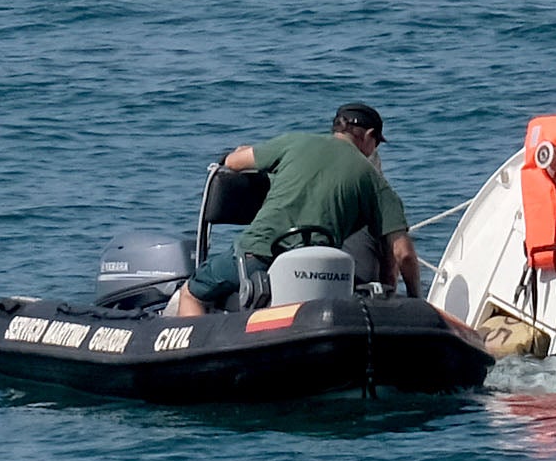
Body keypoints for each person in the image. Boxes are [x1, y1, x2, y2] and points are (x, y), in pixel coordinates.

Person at [174, 102, 420, 316]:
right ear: (369, 135)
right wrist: (415, 300)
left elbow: (232, 162)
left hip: (257, 256)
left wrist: (241, 152)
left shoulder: (293, 142)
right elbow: (404, 253)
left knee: (192, 294)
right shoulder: (375, 181)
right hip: (321, 271)